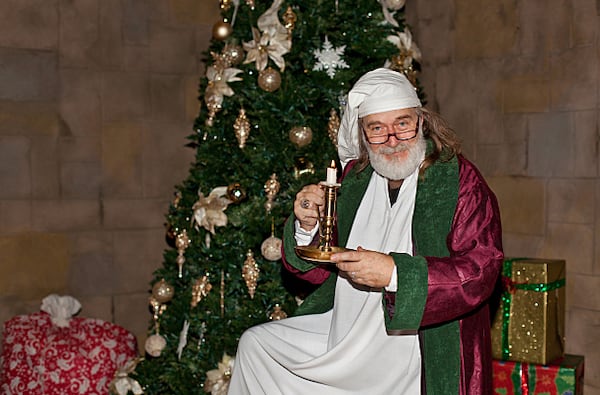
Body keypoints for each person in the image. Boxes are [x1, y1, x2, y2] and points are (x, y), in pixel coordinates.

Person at [228, 68, 503, 394]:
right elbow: (318, 271)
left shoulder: (459, 180)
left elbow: (482, 268)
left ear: (421, 122)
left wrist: (395, 274)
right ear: (363, 133)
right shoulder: (356, 179)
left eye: (402, 124)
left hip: (418, 340)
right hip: (349, 326)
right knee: (258, 346)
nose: (392, 140)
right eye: (377, 129)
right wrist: (307, 226)